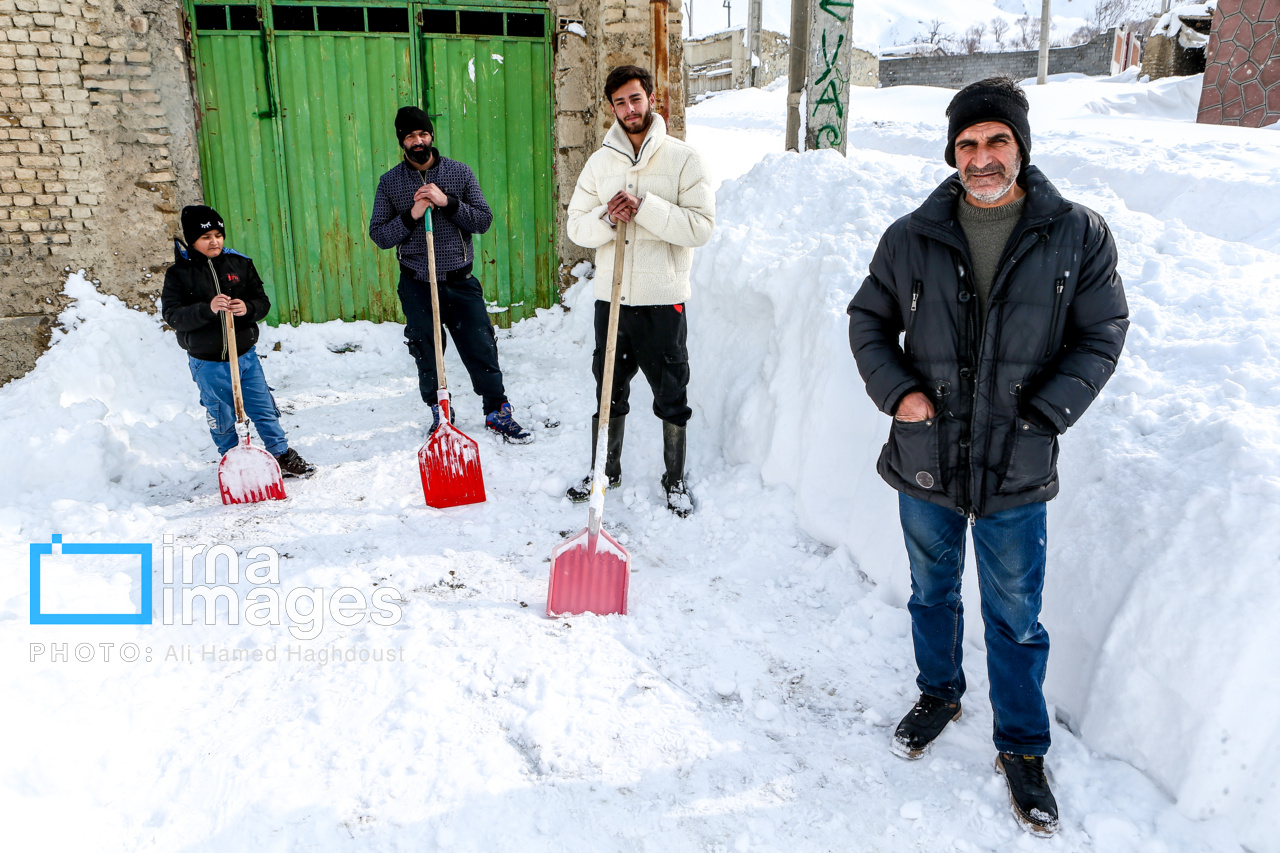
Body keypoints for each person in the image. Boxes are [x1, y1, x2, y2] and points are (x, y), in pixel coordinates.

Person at [846, 77, 1128, 837]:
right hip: (926, 458)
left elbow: (1103, 333)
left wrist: (1045, 413)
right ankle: (939, 690)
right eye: (967, 144)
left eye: (995, 140)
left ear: (1021, 146)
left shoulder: (1076, 233)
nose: (981, 156)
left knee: (1015, 615)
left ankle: (1023, 747)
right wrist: (898, 392)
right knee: (931, 592)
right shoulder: (912, 235)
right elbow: (867, 320)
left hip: (1017, 459)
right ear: (952, 153)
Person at [565, 65, 715, 516]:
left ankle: (674, 479)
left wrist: (646, 208)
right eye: (619, 102)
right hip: (612, 303)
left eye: (635, 99)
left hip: (662, 301)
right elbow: (576, 227)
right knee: (608, 391)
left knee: (671, 392)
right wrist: (608, 219)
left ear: (653, 98)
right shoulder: (599, 163)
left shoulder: (683, 159)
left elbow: (700, 228)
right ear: (610, 108)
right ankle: (605, 471)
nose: (629, 109)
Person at [368, 105, 532, 444]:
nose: (418, 140)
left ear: (431, 135)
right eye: (410, 136)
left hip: (459, 279)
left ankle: (496, 409)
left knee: (480, 344)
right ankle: (440, 409)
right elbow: (380, 236)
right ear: (402, 141)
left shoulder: (459, 173)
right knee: (426, 348)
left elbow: (483, 220)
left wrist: (446, 202)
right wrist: (413, 214)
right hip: (417, 282)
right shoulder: (390, 183)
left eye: (423, 133)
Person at [162, 205, 315, 477]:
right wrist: (206, 309)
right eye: (206, 237)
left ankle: (280, 454)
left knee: (264, 409)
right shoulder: (179, 274)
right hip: (208, 363)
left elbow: (262, 302)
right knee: (222, 417)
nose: (214, 241)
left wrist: (248, 308)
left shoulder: (240, 264)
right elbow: (173, 316)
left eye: (218, 234)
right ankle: (235, 464)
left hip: (245, 357)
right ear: (192, 240)